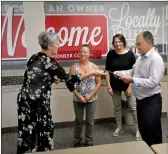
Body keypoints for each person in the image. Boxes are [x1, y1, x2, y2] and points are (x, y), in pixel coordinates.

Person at [17, 31, 105, 153]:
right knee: (44, 129)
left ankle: (27, 150)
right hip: (37, 102)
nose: (59, 46)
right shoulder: (50, 62)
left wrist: (52, 78)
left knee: (27, 131)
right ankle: (43, 149)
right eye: (57, 44)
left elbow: (33, 75)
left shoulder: (34, 57)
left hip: (24, 100)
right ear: (49, 46)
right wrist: (93, 73)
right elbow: (70, 79)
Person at [114, 31, 165, 146]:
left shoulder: (155, 59)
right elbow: (132, 72)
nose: (137, 47)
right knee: (144, 131)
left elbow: (153, 82)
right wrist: (121, 73)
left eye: (138, 44)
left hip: (151, 101)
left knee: (153, 133)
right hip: (140, 100)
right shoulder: (140, 58)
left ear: (148, 43)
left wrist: (132, 80)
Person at [105, 34, 141, 141]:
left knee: (133, 107)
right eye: (115, 42)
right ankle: (119, 127)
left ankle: (138, 129)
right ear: (113, 43)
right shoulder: (110, 54)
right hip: (114, 85)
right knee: (117, 108)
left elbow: (134, 72)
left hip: (127, 85)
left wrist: (130, 86)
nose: (117, 44)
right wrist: (108, 86)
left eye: (119, 42)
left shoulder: (130, 54)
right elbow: (107, 71)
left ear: (123, 42)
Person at [69, 44, 101, 147]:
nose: (82, 54)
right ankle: (77, 139)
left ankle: (89, 139)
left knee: (90, 120)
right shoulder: (74, 67)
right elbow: (71, 85)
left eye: (85, 52)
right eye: (81, 51)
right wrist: (79, 96)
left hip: (92, 98)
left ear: (89, 54)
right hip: (77, 98)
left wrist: (90, 95)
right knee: (78, 120)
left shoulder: (95, 67)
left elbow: (99, 83)